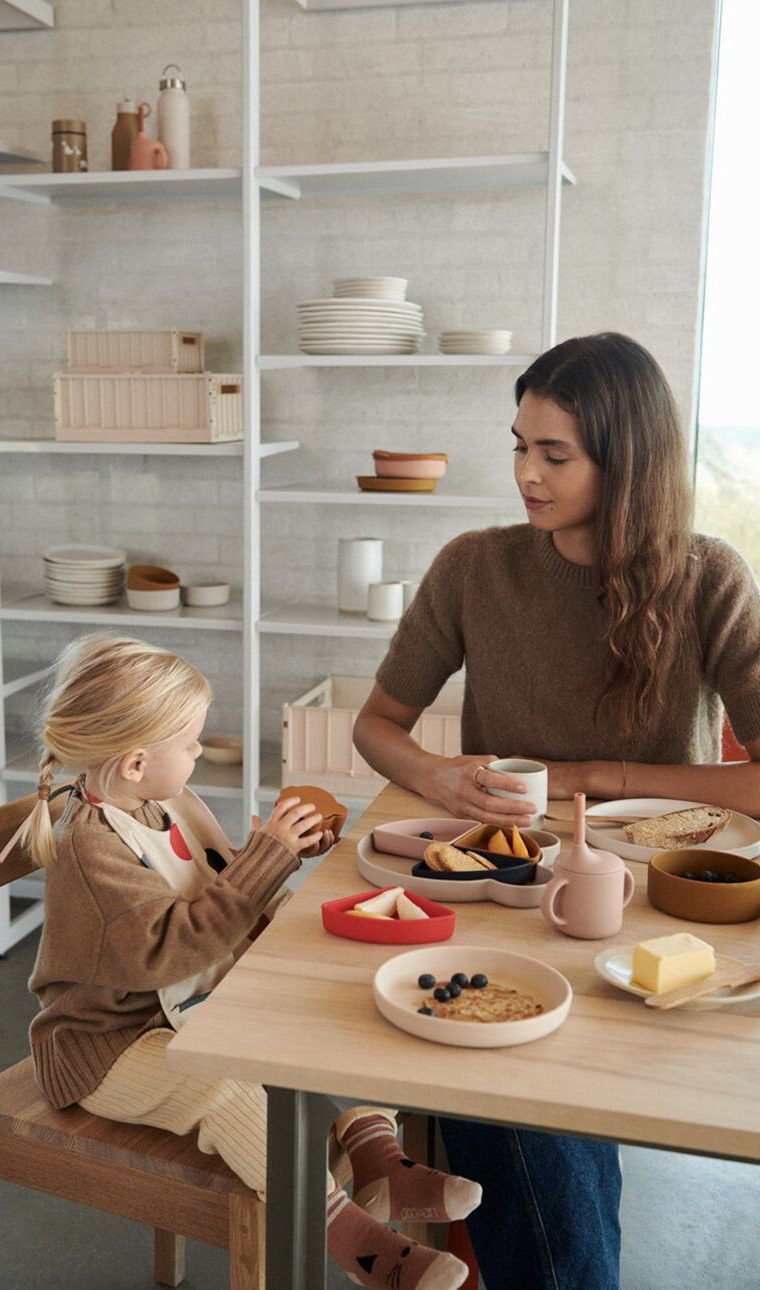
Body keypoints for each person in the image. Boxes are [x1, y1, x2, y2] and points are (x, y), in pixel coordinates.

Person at [353, 332, 760, 1290]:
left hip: (660, 908)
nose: (525, 475)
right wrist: (436, 778)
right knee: (523, 1102)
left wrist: (598, 773)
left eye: (554, 454)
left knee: (549, 1126)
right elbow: (378, 725)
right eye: (518, 446)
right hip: (501, 888)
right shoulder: (473, 568)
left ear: (627, 461)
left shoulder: (709, 578)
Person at [9, 633, 481, 1290]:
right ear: (138, 762)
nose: (201, 752)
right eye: (191, 742)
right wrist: (267, 859)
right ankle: (356, 1244)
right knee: (224, 1090)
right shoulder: (93, 852)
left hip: (180, 1013)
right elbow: (172, 947)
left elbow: (210, 882)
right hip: (106, 1047)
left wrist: (280, 850)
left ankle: (379, 1162)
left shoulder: (150, 801)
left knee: (325, 1015)